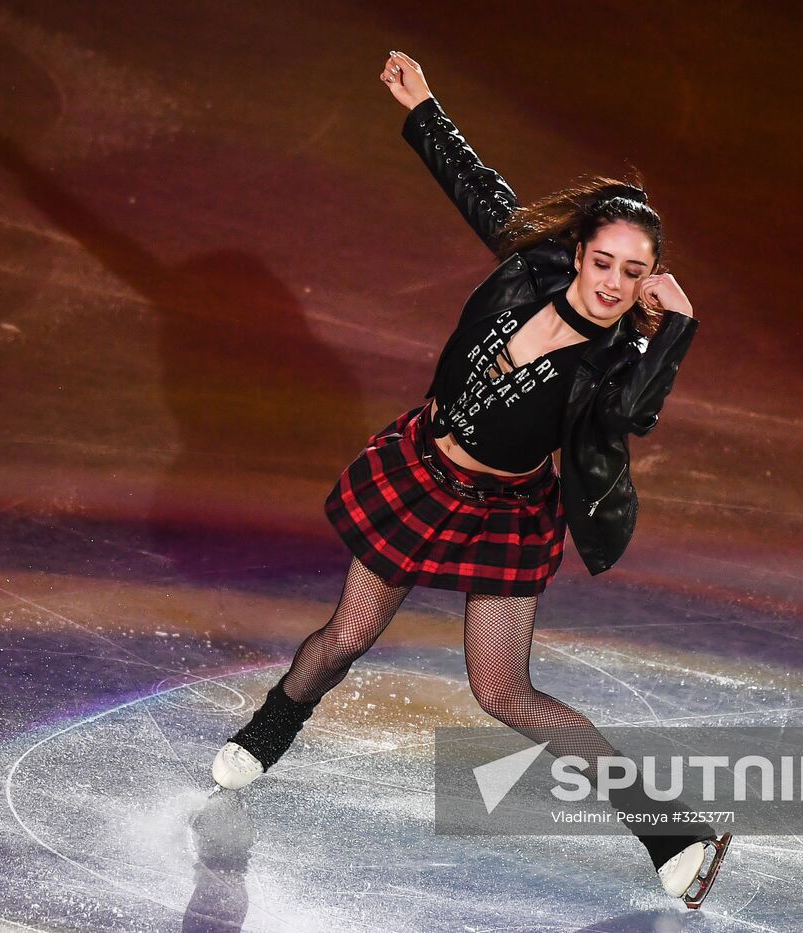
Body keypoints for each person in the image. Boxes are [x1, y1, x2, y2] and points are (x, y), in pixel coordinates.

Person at [210, 51, 730, 908]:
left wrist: (675, 330)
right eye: (605, 262)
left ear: (649, 283)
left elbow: (633, 414)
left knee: (503, 692)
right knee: (347, 636)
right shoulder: (531, 268)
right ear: (580, 251)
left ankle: (669, 831)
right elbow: (480, 190)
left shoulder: (619, 354)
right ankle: (272, 727)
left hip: (507, 511)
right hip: (422, 472)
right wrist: (424, 113)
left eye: (634, 274)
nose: (612, 284)